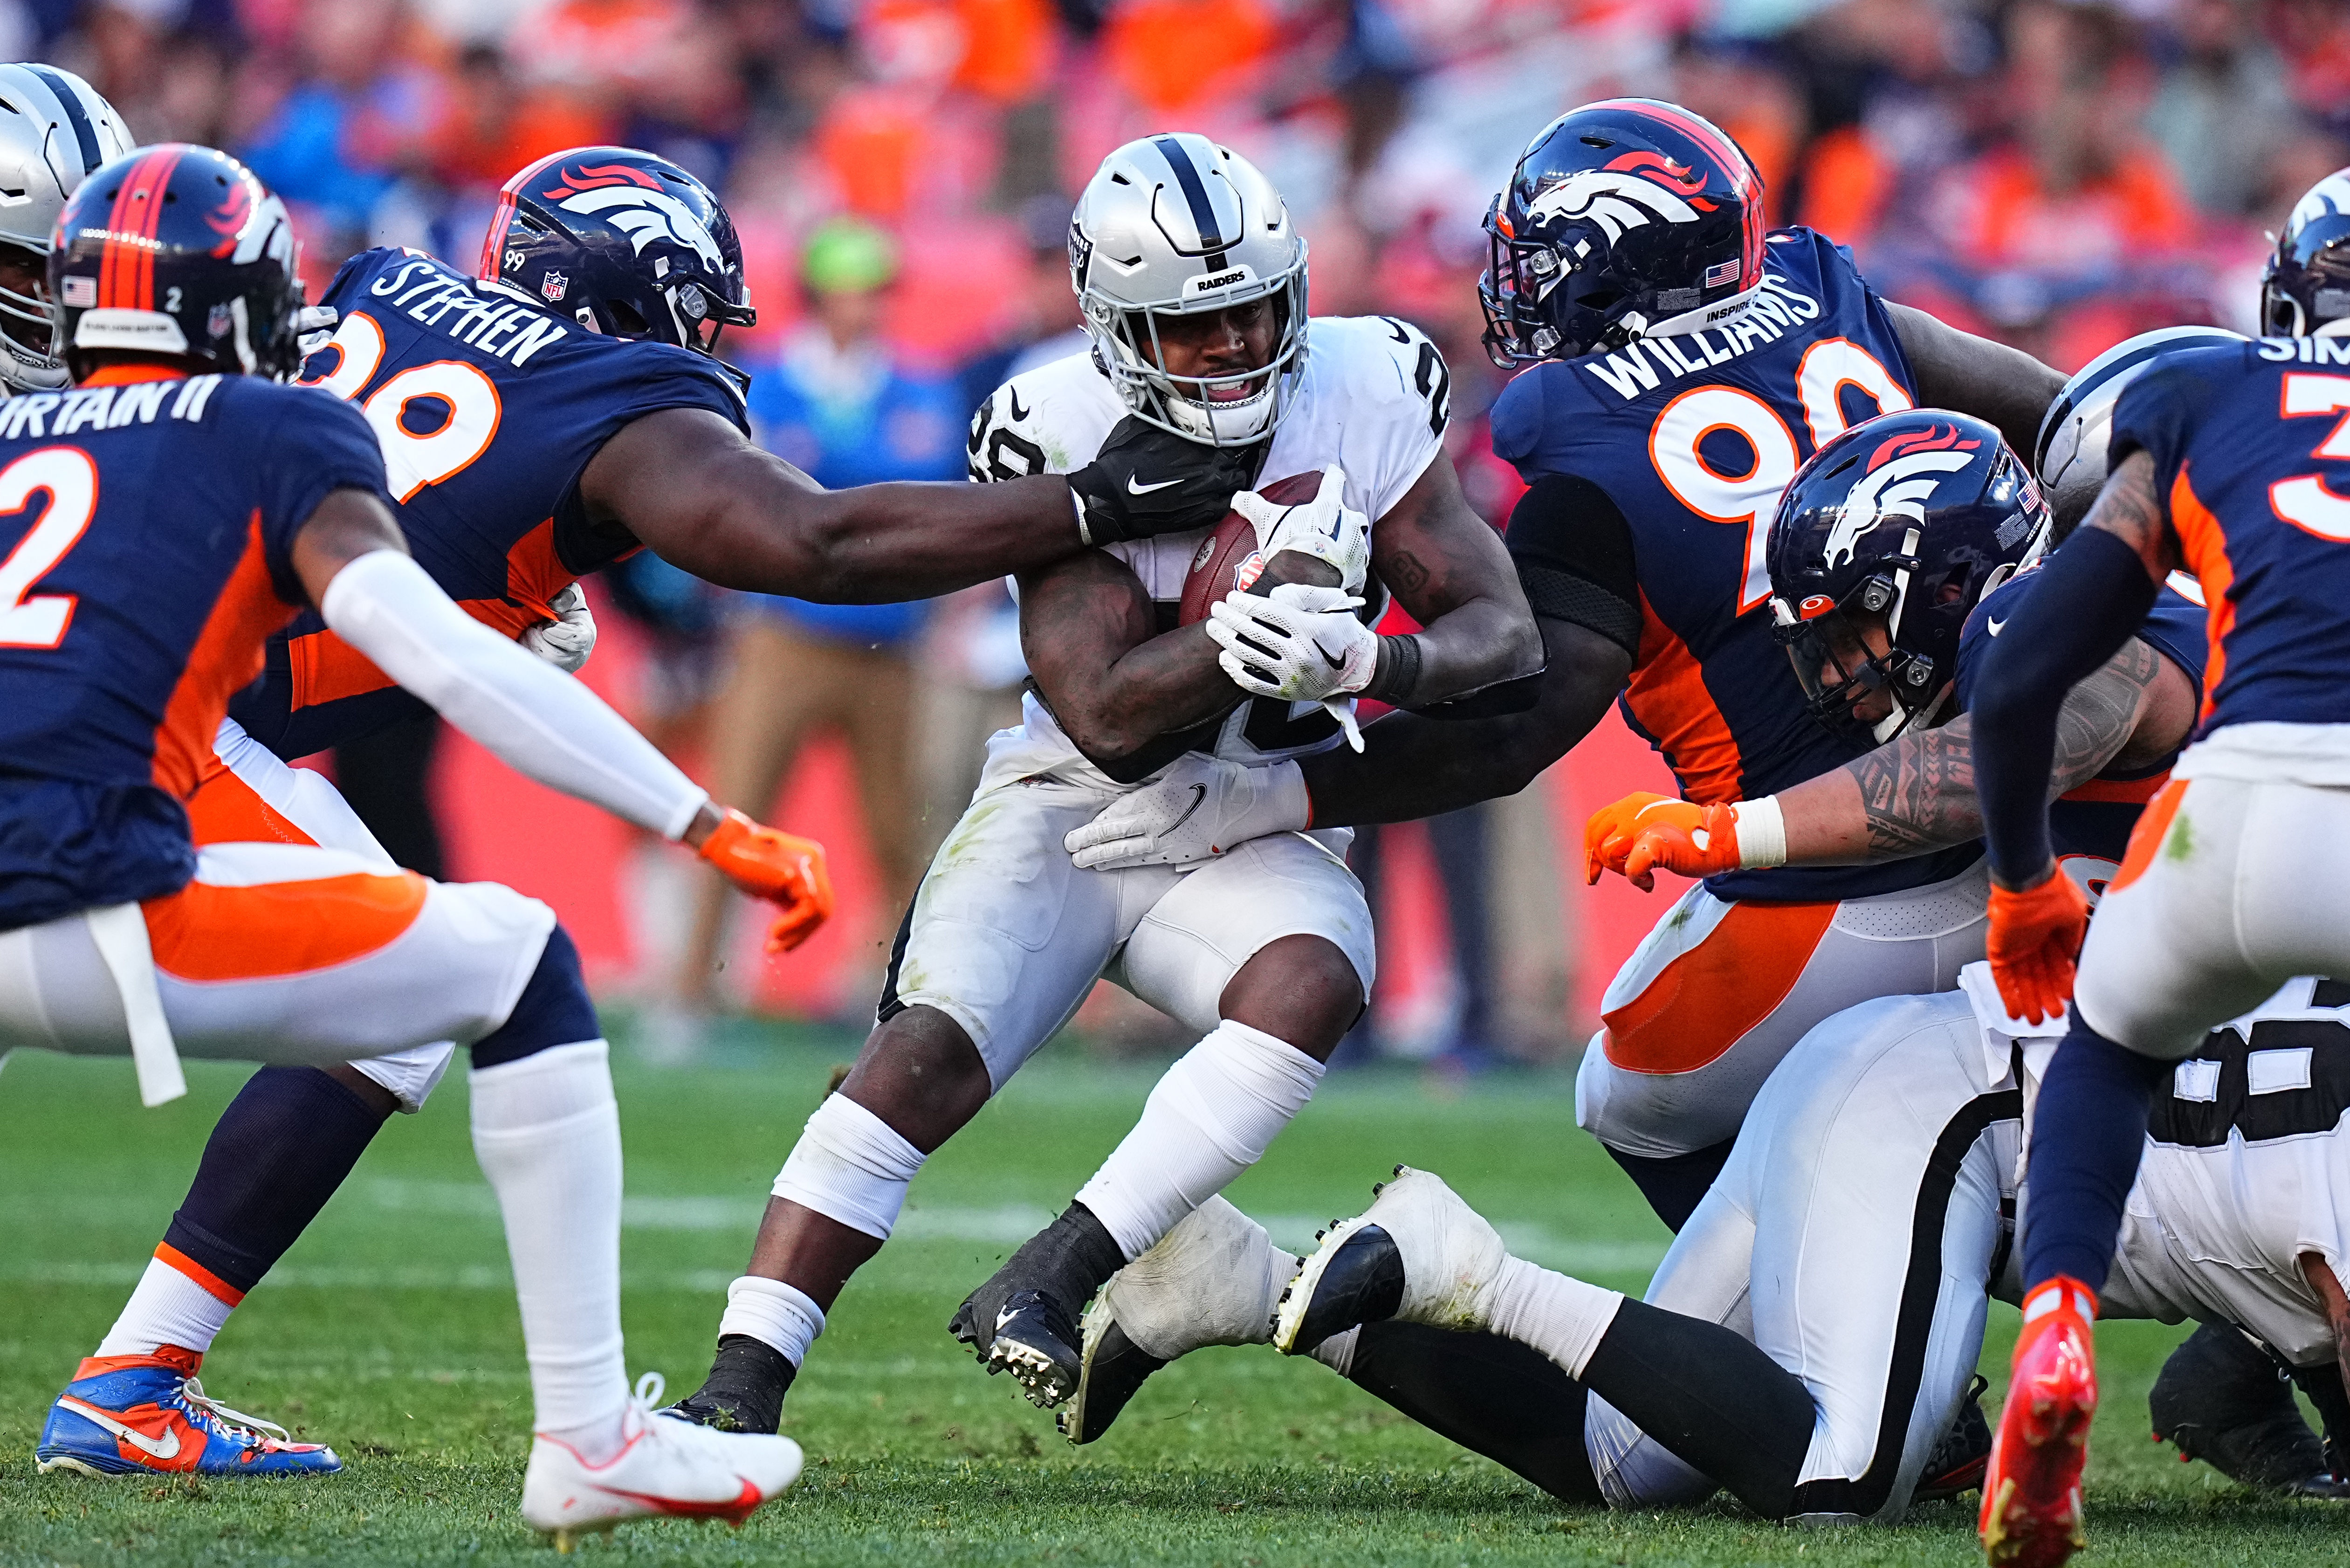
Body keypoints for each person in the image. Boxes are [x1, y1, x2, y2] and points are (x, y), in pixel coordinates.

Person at [34, 142, 1266, 1480]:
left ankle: (142, 1377)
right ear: (639, 292)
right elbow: (815, 543)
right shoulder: (615, 395)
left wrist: (490, 584)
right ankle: (145, 1378)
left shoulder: (379, 287)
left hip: (98, 670)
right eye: (696, 310)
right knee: (415, 1008)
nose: (707, 344)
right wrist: (1081, 502)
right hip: (147, 730)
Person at [1064, 388, 2350, 1524]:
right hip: (1948, 1094)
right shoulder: (2095, 638)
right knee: (1836, 1471)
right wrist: (1743, 828)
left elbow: (2018, 732)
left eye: (1848, 632)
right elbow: (2001, 739)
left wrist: (1741, 827)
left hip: (2027, 1088)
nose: (1831, 675)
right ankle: (1471, 1268)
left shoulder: (2118, 641)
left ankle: (1249, 1281)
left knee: (1625, 1453)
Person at [661, 131, 1541, 1435]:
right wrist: (1232, 634)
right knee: (921, 1056)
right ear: (1119, 327)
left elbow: (1501, 630)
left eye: (1255, 311)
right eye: (1196, 329)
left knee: (1313, 980)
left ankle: (1061, 1268)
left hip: (1258, 799)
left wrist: (1376, 655)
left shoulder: (1363, 376)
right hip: (1074, 796)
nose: (1239, 346)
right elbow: (1104, 711)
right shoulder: (1051, 416)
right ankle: (735, 1388)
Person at [4, 144, 818, 1542]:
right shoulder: (274, 426)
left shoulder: (32, 433)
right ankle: (585, 1437)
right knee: (500, 964)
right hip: (73, 871)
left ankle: (142, 1377)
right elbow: (430, 650)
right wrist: (701, 819)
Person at [1065, 97, 2068, 1231]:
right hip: (2025, 804)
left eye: (1541, 264)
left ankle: (1860, 1295)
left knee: (1630, 1087)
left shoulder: (1581, 430)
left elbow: (1517, 727)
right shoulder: (1824, 299)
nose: (1520, 290)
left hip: (1824, 868)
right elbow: (2060, 418)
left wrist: (1284, 782)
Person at [1966, 168, 2350, 1565]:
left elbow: (2011, 674)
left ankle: (2059, 1322)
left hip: (2229, 807)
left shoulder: (2206, 397)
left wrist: (2022, 885)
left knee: (2108, 1056)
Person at [674, 218, 967, 1027]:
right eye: (852, 293)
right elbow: (884, 480)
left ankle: (905, 1001)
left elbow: (821, 482)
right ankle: (692, 992)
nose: (867, 310)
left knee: (898, 835)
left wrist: (823, 474)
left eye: (876, 293)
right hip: (788, 636)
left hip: (887, 642)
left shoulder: (900, 386)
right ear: (819, 299)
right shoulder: (780, 384)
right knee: (734, 817)